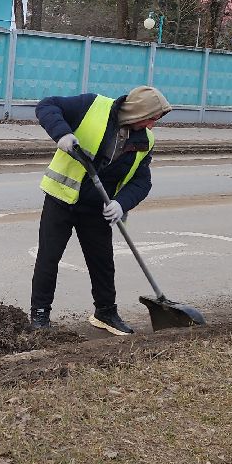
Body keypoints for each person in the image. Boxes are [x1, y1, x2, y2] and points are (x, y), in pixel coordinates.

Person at [30, 85, 173, 336]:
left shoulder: (145, 141)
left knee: (102, 262)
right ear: (138, 111)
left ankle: (105, 312)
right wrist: (62, 134)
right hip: (61, 198)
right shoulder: (92, 106)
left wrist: (121, 203)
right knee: (49, 258)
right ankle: (39, 315)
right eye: (150, 119)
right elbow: (47, 106)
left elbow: (141, 181)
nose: (152, 125)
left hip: (98, 206)